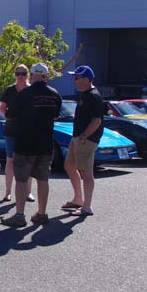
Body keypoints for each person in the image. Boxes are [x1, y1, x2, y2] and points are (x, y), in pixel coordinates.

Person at [1, 63, 62, 228]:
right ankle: (41, 213)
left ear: (32, 75)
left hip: (25, 143)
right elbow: (56, 115)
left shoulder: (24, 94)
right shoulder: (54, 94)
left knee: (21, 180)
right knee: (43, 179)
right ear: (46, 76)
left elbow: (9, 114)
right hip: (46, 144)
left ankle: (20, 215)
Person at [62, 65, 104, 216]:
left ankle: (86, 207)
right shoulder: (84, 95)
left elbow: (96, 121)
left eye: (77, 78)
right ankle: (78, 199)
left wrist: (83, 136)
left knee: (86, 172)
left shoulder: (93, 96)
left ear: (86, 79)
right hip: (78, 138)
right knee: (69, 165)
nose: (74, 80)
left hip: (86, 140)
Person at [0, 64, 35, 203]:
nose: (20, 76)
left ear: (28, 75)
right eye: (18, 73)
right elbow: (2, 108)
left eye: (23, 73)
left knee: (28, 161)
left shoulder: (32, 90)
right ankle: (8, 192)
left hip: (28, 131)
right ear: (15, 75)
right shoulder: (10, 90)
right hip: (11, 130)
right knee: (10, 160)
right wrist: (9, 116)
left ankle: (28, 192)